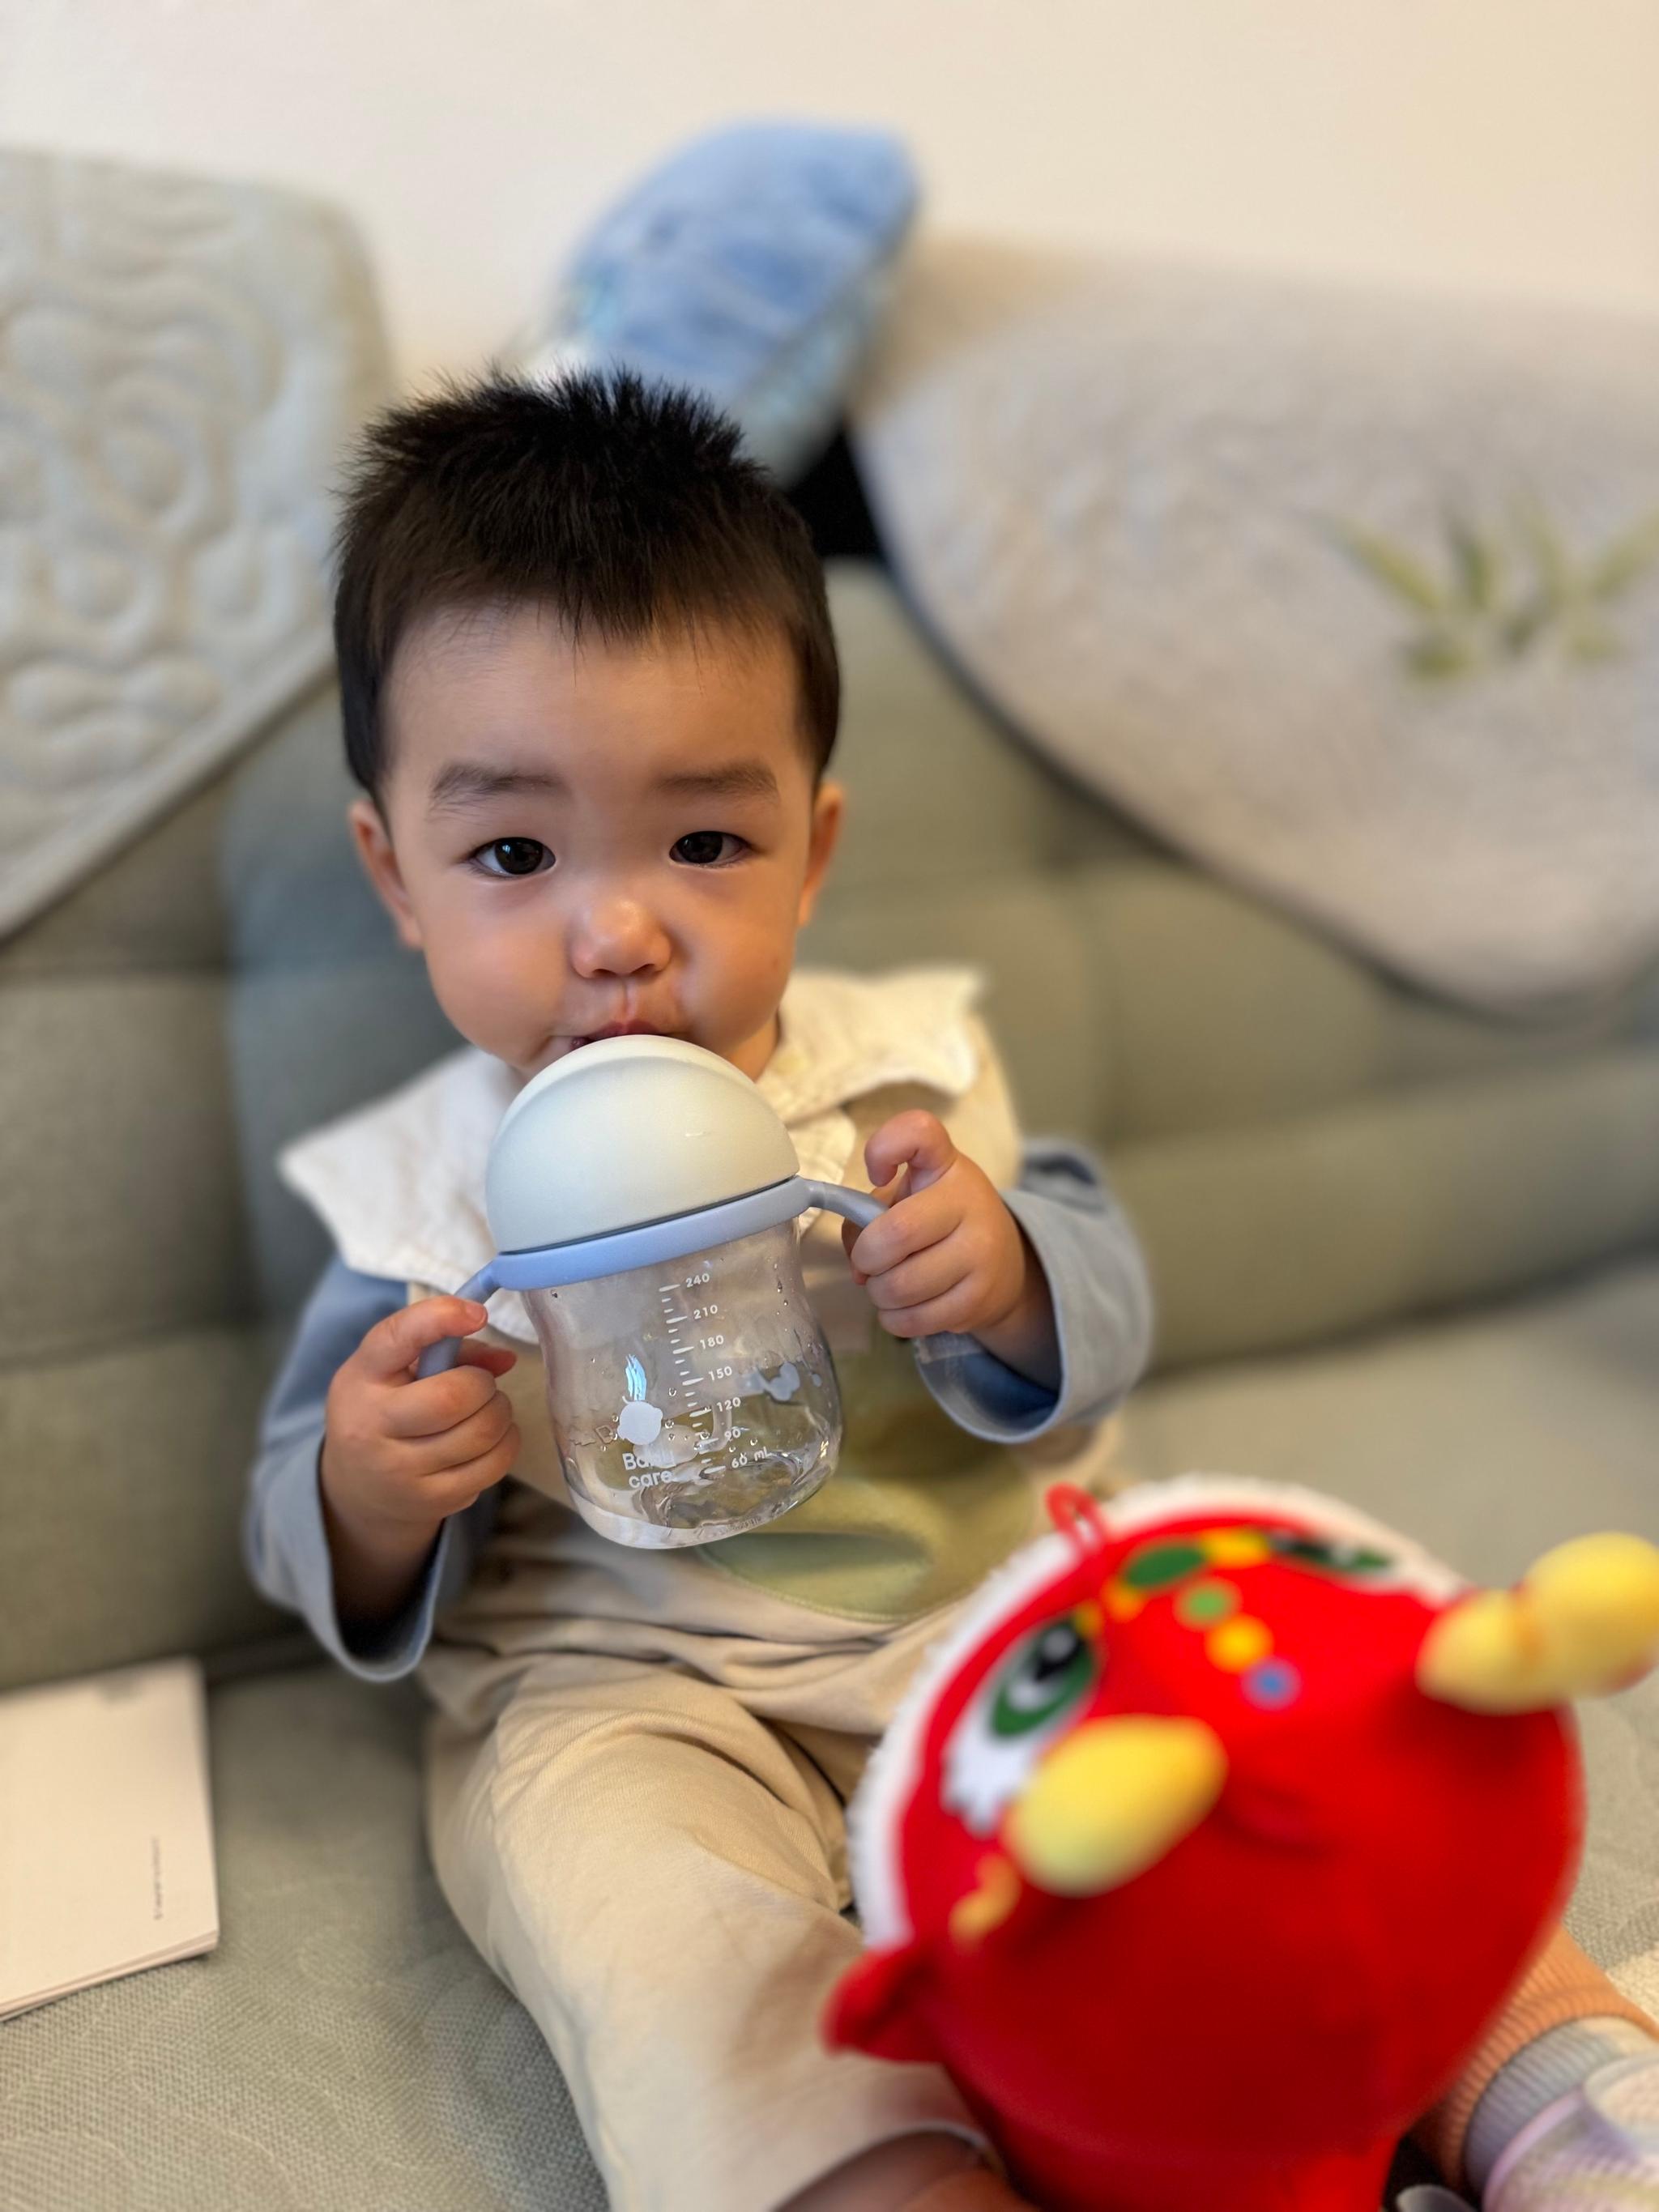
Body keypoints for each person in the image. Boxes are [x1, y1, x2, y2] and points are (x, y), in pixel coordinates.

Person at [246, 369, 1658, 2212]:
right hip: (633, 1689)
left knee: (1286, 1783)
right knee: (669, 1943)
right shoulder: (415, 1202)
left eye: (704, 841)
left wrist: (1002, 1277)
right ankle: (881, 2179)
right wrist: (369, 1480)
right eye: (513, 852)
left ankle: (1550, 2090)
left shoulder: (901, 1088)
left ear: (813, 850)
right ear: (398, 879)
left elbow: (1103, 1299)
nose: (620, 930)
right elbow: (298, 1532)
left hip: (984, 1615)